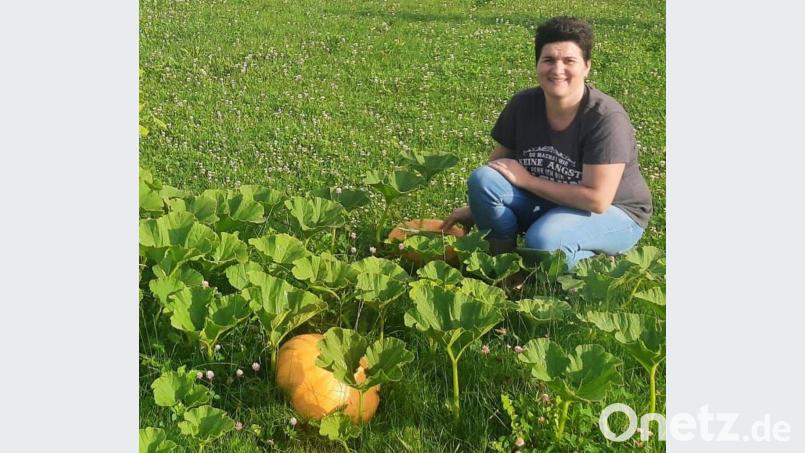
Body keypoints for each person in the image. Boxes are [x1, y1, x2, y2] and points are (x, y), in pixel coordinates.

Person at [441, 16, 652, 270]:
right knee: (483, 179)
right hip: (553, 200)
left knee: (543, 241)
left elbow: (597, 200)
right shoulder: (523, 105)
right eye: (549, 60)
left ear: (587, 66)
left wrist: (528, 181)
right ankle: (503, 267)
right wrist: (478, 207)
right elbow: (496, 167)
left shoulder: (605, 118)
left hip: (615, 212)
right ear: (537, 64)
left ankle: (595, 264)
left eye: (569, 61)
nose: (557, 69)